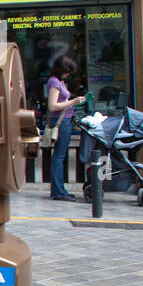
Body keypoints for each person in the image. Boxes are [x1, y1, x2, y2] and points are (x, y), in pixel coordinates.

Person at [45, 55, 87, 202]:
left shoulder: (60, 82)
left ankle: (60, 189)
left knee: (60, 156)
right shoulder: (54, 82)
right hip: (61, 122)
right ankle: (58, 191)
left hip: (65, 121)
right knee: (59, 156)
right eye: (67, 71)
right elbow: (52, 105)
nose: (69, 74)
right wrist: (72, 102)